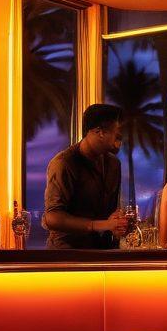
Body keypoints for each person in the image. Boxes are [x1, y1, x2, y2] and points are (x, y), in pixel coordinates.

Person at [42, 103, 129, 249]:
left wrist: (116, 221)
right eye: (117, 135)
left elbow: (109, 211)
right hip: (67, 255)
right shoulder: (64, 163)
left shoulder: (114, 164)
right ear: (99, 132)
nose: (120, 142)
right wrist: (102, 225)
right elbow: (53, 217)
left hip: (103, 251)